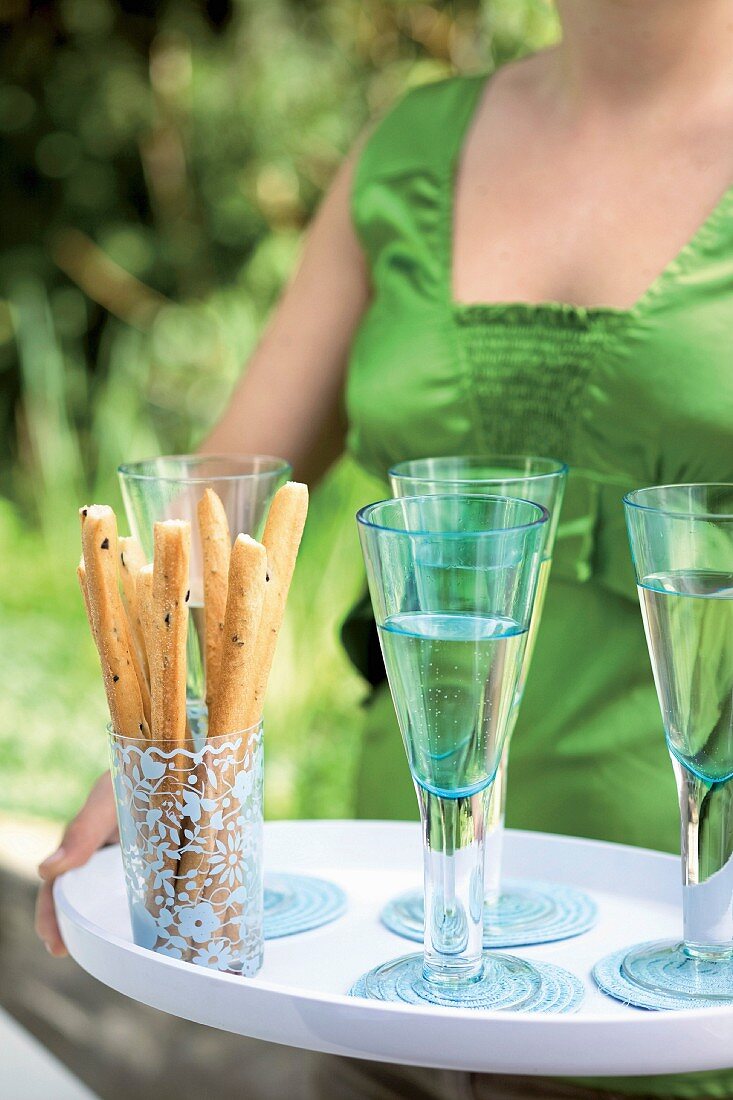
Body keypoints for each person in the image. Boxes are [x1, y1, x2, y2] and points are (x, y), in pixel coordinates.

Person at [37, 1, 733, 1096]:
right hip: (393, 970)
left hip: (689, 998)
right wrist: (156, 767)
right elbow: (218, 515)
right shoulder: (410, 149)